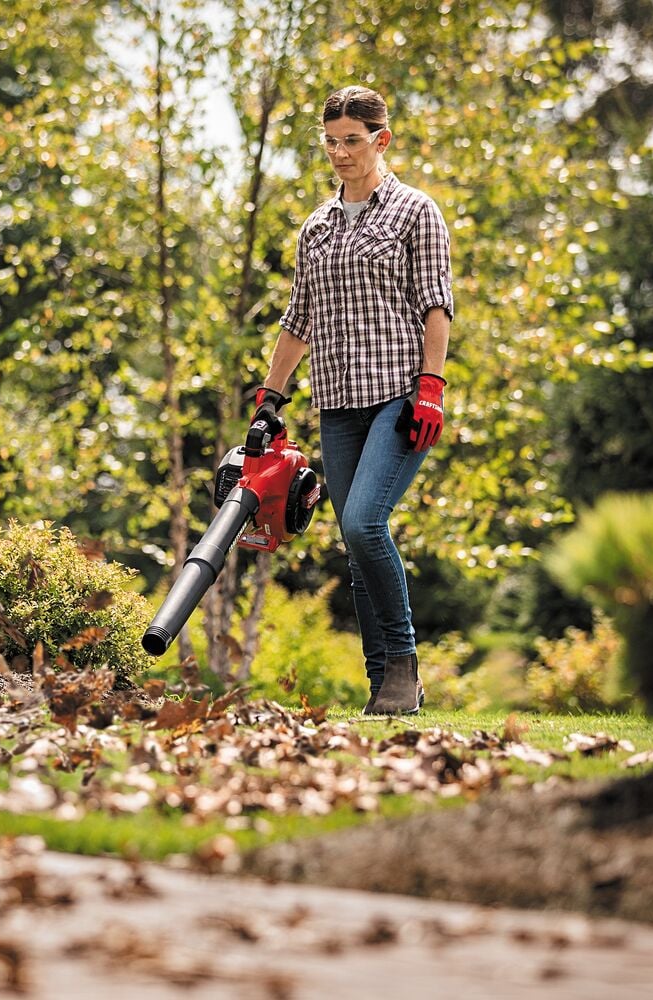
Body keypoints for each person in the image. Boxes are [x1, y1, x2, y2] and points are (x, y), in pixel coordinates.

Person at [252, 84, 453, 716]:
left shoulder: (416, 213)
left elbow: (435, 306)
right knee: (354, 537)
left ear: (381, 140)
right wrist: (270, 397)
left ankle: (402, 664)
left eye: (353, 141)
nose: (340, 153)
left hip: (399, 395)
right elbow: (298, 319)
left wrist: (432, 386)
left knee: (365, 522)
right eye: (331, 142)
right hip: (339, 401)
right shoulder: (315, 227)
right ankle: (383, 686)